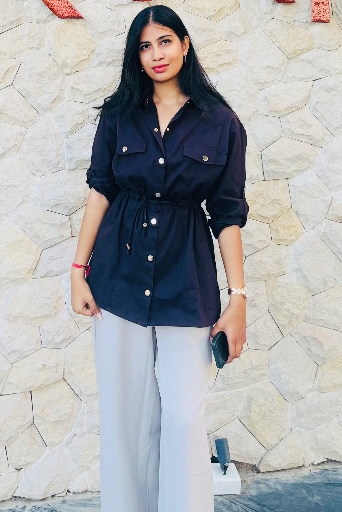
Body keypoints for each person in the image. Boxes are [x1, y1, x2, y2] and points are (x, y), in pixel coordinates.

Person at [70, 5, 249, 512]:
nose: (156, 55)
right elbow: (101, 191)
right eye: (145, 47)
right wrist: (78, 271)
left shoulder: (221, 123)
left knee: (185, 419)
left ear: (185, 45)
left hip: (186, 281)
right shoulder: (118, 115)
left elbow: (228, 213)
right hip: (118, 279)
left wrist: (238, 298)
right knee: (126, 418)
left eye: (165, 41)